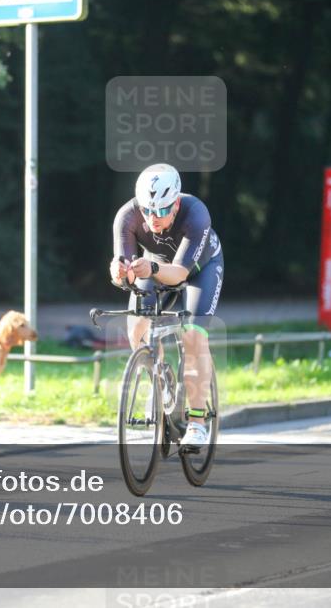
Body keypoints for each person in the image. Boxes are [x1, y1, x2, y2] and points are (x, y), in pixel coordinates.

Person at [109, 163, 224, 450]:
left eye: (161, 211)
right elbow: (123, 270)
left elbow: (179, 274)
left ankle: (197, 422)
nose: (153, 218)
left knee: (194, 335)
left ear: (175, 203)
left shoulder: (195, 214)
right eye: (147, 210)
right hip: (155, 266)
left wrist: (150, 267)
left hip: (199, 269)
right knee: (136, 325)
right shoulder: (127, 216)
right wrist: (120, 272)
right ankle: (159, 383)